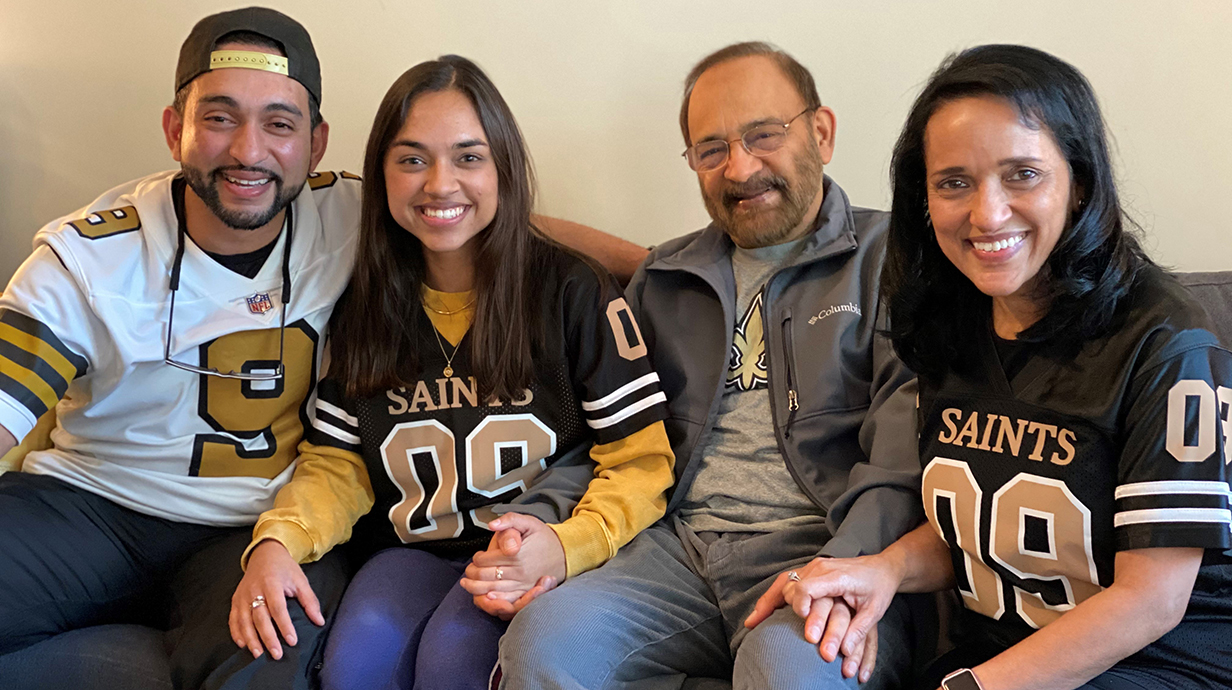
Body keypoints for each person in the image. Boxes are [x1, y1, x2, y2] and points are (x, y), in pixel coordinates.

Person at [773, 44, 1232, 690]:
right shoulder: (947, 326)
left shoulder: (1167, 343)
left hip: (1160, 665)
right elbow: (983, 524)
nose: (987, 213)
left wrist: (974, 688)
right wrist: (885, 570)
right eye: (953, 182)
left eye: (1022, 174)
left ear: (1078, 184)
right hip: (997, 653)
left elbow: (1152, 599)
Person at [230, 55, 676, 690]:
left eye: (468, 157)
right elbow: (339, 464)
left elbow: (640, 460)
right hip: (415, 548)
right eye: (412, 159)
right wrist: (277, 542)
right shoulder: (364, 303)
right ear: (380, 173)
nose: (440, 183)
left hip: (536, 545)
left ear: (503, 168)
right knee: (356, 664)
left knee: (454, 660)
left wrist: (569, 543)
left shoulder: (571, 290)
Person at [497, 41, 924, 689]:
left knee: (788, 674)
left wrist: (844, 566)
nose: (740, 167)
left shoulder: (893, 259)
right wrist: (544, 515)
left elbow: (901, 460)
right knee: (542, 646)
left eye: (763, 135)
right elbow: (617, 436)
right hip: (674, 552)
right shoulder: (663, 278)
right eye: (712, 149)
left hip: (824, 549)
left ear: (822, 132)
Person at [0, 7, 361, 689]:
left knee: (271, 654)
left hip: (256, 527)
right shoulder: (90, 257)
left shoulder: (353, 218)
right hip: (91, 505)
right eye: (220, 118)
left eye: (279, 124)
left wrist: (633, 262)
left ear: (316, 144)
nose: (248, 151)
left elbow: (492, 223)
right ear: (176, 129)